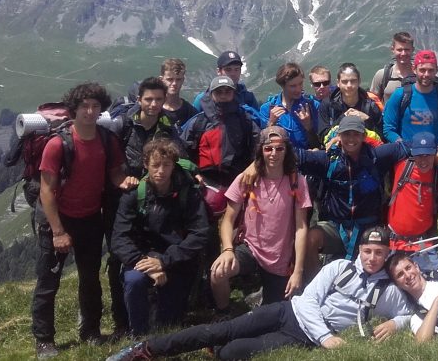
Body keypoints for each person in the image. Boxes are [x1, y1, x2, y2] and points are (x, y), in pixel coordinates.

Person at [107, 226, 414, 361]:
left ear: (387, 254)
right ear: (358, 249)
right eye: (367, 250)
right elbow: (306, 301)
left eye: (379, 252)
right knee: (220, 330)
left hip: (300, 338)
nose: (372, 258)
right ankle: (146, 349)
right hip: (289, 312)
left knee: (232, 352)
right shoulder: (339, 267)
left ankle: (219, 349)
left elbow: (411, 312)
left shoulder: (387, 289)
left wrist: (394, 324)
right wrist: (325, 338)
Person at [31, 82, 128, 359]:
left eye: (95, 106)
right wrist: (58, 231)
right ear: (74, 109)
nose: (90, 111)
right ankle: (44, 341)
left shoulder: (107, 141)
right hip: (57, 220)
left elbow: (114, 175)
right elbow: (47, 191)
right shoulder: (57, 144)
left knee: (90, 277)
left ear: (101, 109)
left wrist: (125, 181)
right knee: (48, 281)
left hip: (89, 218)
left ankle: (91, 331)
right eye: (84, 106)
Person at [108, 77, 183, 337]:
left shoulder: (167, 127)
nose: (153, 104)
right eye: (148, 99)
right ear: (139, 99)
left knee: (156, 245)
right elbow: (110, 159)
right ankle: (122, 320)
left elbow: (180, 159)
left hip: (156, 197)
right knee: (118, 257)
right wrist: (120, 179)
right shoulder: (123, 126)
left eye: (158, 100)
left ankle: (151, 314)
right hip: (123, 197)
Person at [111, 139, 210, 335]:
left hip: (177, 260)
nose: (161, 171)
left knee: (169, 325)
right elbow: (119, 237)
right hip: (142, 257)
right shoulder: (134, 195)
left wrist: (165, 261)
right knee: (134, 281)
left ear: (174, 165)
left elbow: (200, 233)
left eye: (166, 165)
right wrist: (146, 264)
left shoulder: (188, 194)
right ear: (146, 165)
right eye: (155, 165)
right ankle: (138, 336)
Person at [211, 126, 311, 315]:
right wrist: (227, 250)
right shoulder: (246, 179)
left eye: (279, 149)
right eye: (268, 149)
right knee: (218, 273)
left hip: (280, 258)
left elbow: (301, 227)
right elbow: (227, 219)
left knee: (273, 316)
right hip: (250, 248)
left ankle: (259, 297)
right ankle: (223, 313)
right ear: (261, 150)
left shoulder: (297, 182)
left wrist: (298, 270)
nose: (274, 154)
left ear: (287, 150)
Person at [294, 115, 409, 278]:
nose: (351, 139)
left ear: (364, 136)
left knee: (373, 262)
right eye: (346, 134)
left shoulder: (377, 157)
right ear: (339, 136)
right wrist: (255, 167)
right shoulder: (328, 160)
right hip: (336, 226)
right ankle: (315, 284)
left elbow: (415, 146)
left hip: (369, 228)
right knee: (310, 239)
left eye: (356, 134)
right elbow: (292, 155)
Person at [385, 131, 438, 271]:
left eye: (428, 155)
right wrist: (337, 136)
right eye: (419, 155)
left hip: (422, 243)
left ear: (435, 155)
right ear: (412, 153)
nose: (423, 160)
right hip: (394, 243)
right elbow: (372, 143)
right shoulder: (402, 166)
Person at [181, 76, 258, 195]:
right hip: (204, 183)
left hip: (238, 182)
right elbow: (182, 151)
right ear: (211, 94)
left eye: (228, 91)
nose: (223, 95)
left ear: (234, 93)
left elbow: (259, 145)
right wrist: (193, 173)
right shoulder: (198, 121)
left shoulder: (245, 120)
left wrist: (254, 166)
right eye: (219, 92)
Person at [383, 49, 438, 150]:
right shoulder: (400, 95)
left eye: (430, 70)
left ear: (437, 70)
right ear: (414, 69)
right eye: (422, 70)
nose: (426, 74)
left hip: (434, 156)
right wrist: (402, 146)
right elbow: (388, 128)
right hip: (406, 156)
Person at [258, 62, 318, 151]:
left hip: (307, 158)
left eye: (300, 84)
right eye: (293, 86)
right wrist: (271, 123)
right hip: (281, 161)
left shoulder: (312, 105)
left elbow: (319, 143)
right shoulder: (267, 109)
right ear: (283, 86)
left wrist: (308, 127)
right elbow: (262, 145)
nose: (298, 89)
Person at [317, 62, 383, 140]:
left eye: (353, 81)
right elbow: (322, 137)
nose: (349, 85)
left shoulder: (371, 106)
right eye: (344, 81)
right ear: (338, 83)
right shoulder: (328, 105)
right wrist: (343, 118)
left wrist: (367, 120)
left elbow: (382, 136)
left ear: (359, 81)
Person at [193, 51, 260, 112]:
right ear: (218, 71)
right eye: (228, 70)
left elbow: (259, 122)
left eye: (236, 69)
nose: (233, 74)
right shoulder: (203, 99)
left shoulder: (248, 97)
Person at [370, 31, 416, 103]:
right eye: (399, 50)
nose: (403, 53)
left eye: (407, 49)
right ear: (392, 49)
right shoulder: (382, 75)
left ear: (412, 50)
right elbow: (372, 103)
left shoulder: (419, 75)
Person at [159, 58, 197, 127]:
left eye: (178, 79)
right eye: (170, 79)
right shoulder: (154, 108)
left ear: (183, 80)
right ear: (161, 80)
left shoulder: (190, 112)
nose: (174, 83)